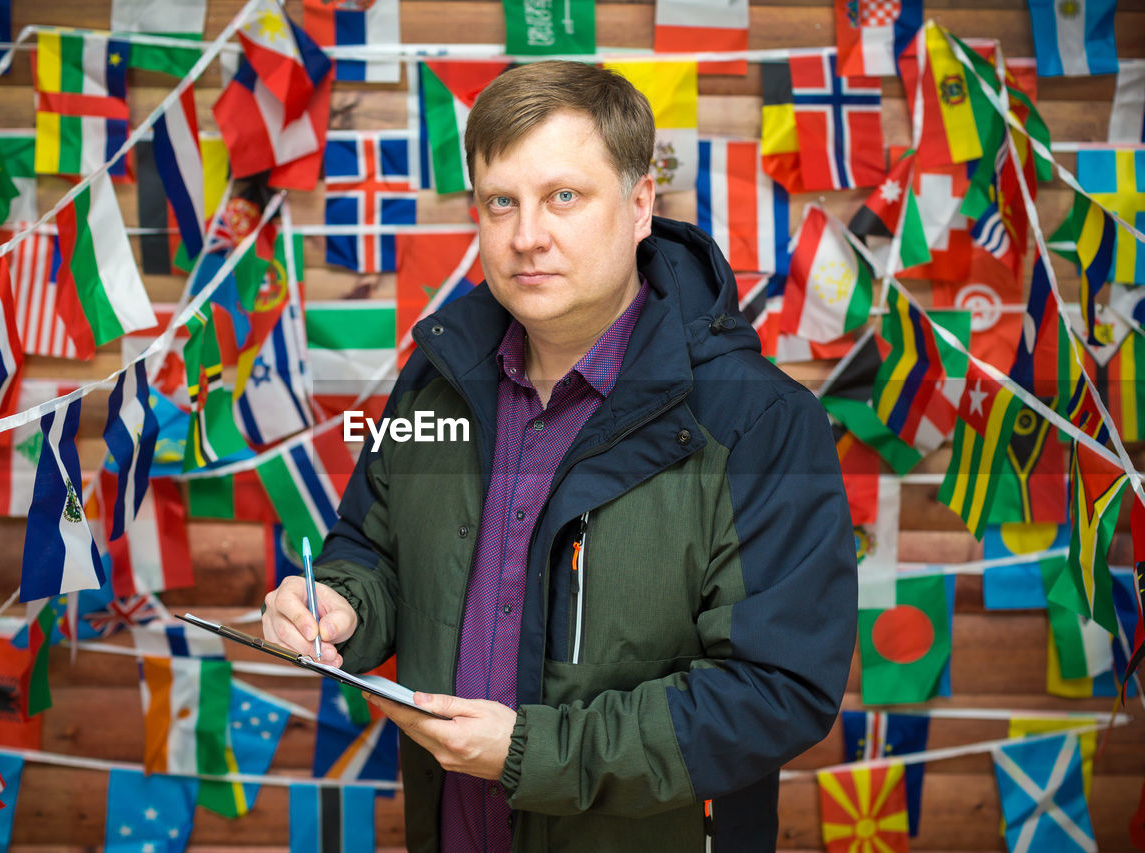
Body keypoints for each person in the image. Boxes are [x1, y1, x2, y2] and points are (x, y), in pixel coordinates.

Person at [264, 60, 857, 852]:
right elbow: (371, 546)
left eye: (563, 198)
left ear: (641, 203)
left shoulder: (761, 423)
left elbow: (774, 691)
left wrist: (528, 754)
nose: (525, 235)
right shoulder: (434, 379)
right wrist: (339, 604)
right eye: (500, 202)